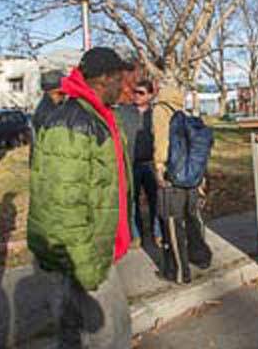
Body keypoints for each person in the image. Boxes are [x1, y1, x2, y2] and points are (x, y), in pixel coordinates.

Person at [27, 47, 133, 348]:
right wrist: (85, 265)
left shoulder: (98, 116)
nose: (123, 87)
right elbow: (63, 203)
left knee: (100, 330)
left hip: (95, 246)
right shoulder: (73, 122)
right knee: (107, 334)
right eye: (119, 79)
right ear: (103, 79)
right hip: (83, 254)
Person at [153, 85, 212, 285]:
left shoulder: (161, 111)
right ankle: (202, 258)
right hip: (192, 177)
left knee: (173, 223)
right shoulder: (184, 112)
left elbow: (161, 143)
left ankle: (179, 272)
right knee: (193, 218)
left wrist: (159, 168)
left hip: (173, 177)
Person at [115, 79, 162, 249]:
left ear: (150, 95)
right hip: (131, 164)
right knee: (132, 201)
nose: (136, 95)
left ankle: (158, 233)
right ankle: (135, 235)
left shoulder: (156, 114)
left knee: (156, 200)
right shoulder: (123, 112)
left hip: (151, 164)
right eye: (134, 92)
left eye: (141, 92)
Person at [31, 70, 65, 135]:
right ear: (50, 92)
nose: (63, 96)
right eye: (60, 93)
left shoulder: (57, 106)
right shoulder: (46, 113)